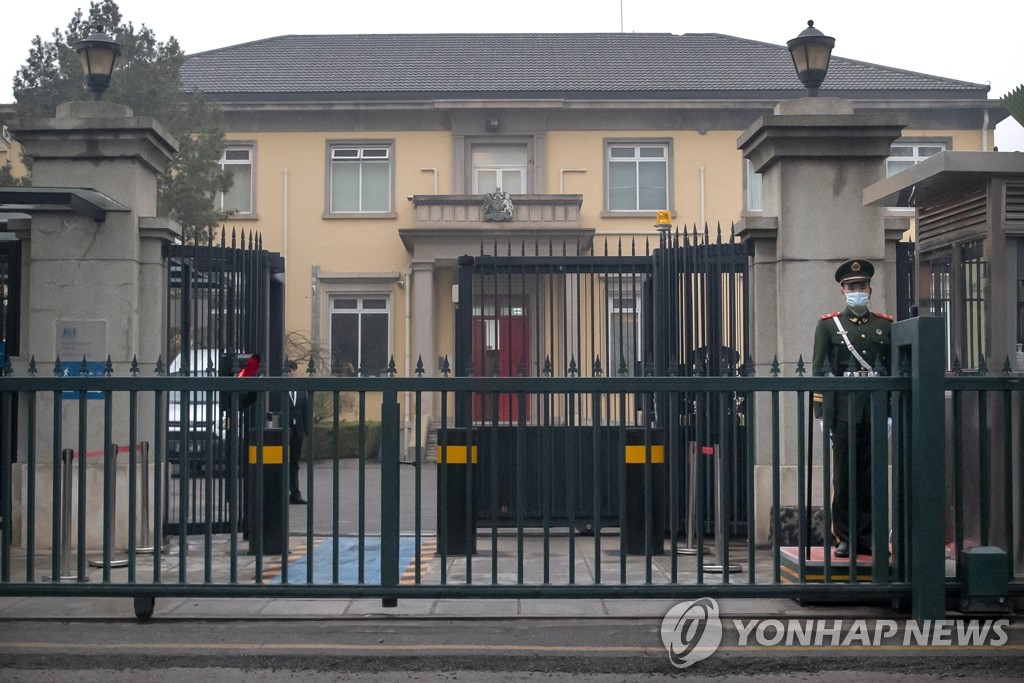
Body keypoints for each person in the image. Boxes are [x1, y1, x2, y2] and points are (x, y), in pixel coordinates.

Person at [811, 259, 893, 558]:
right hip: (843, 408)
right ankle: (844, 536)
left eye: (861, 286)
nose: (856, 291)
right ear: (842, 290)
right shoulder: (829, 325)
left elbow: (893, 369)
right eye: (850, 287)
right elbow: (819, 370)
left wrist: (889, 413)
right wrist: (822, 414)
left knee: (871, 475)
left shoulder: (885, 325)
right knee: (844, 477)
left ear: (869, 288)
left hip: (873, 406)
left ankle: (868, 536)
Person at [284, 360, 310, 504]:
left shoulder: (301, 390)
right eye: (287, 370)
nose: (290, 373)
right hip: (283, 430)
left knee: (294, 463)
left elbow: (305, 410)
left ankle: (295, 493)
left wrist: (306, 429)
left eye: (292, 370)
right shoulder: (279, 389)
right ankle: (282, 492)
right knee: (281, 462)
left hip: (297, 431)